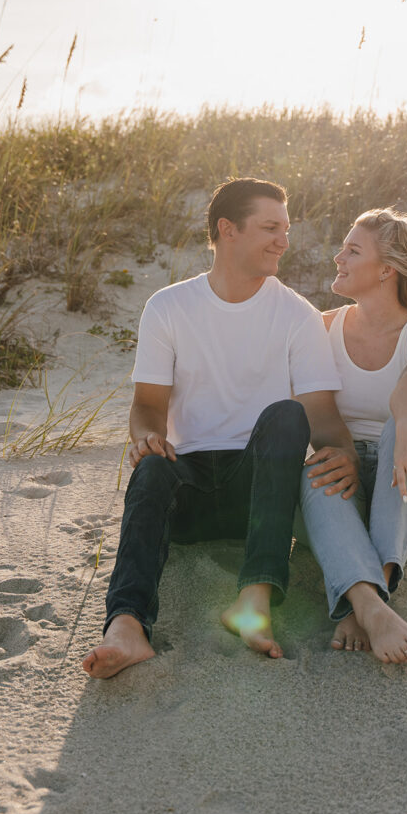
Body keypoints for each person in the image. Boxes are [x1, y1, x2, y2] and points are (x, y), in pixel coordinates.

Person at [82, 177, 359, 679]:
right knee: (149, 471)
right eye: (271, 227)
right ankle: (126, 625)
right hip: (184, 492)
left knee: (287, 415)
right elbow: (147, 406)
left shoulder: (298, 316)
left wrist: (344, 452)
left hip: (258, 497)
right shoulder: (168, 307)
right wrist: (146, 437)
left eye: (287, 229)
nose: (284, 240)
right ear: (227, 230)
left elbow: (321, 418)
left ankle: (252, 601)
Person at [299, 208, 407, 665]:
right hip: (345, 485)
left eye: (352, 250)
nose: (337, 257)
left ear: (386, 269)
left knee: (405, 426)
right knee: (319, 466)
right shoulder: (322, 329)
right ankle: (368, 605)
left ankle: (378, 583)